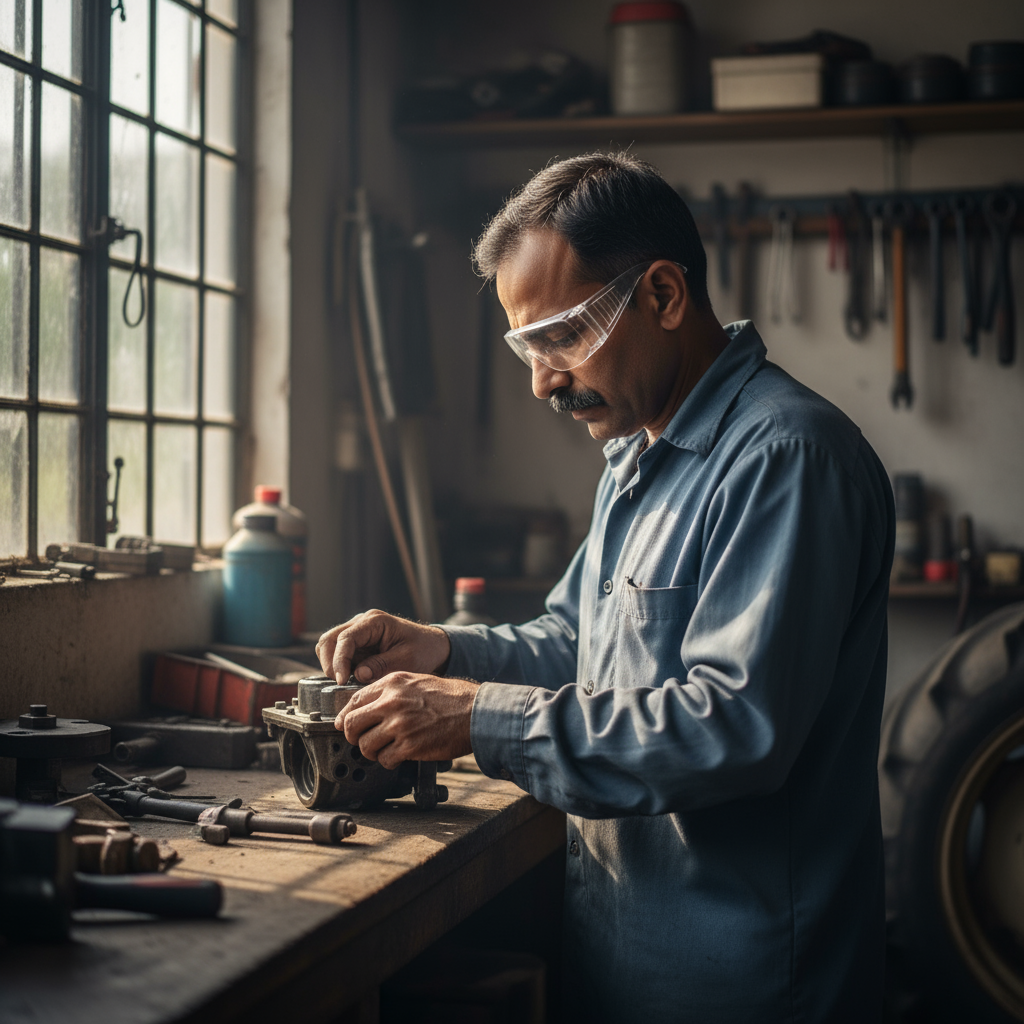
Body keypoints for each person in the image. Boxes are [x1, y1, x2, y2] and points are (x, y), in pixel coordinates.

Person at [317, 152, 894, 1023]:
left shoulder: (786, 458)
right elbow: (581, 642)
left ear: (663, 296)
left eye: (564, 337)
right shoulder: (637, 457)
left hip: (749, 985)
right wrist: (443, 648)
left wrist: (473, 718)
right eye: (527, 344)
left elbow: (732, 728)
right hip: (626, 962)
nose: (543, 381)